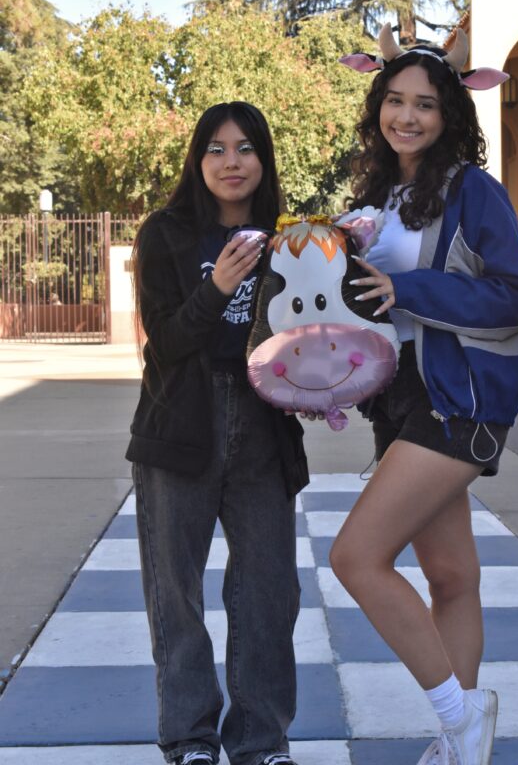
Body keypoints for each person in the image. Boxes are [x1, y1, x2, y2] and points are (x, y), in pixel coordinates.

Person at [331, 26, 518, 765]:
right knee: (452, 577)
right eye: (394, 101)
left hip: (460, 397)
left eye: (425, 104)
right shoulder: (379, 195)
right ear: (377, 107)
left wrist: (407, 287)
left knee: (357, 557)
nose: (407, 117)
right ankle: (464, 747)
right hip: (404, 399)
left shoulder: (472, 190)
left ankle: (459, 717)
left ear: (450, 114)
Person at [126, 101, 309, 765]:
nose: (232, 163)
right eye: (216, 149)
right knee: (175, 592)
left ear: (264, 159)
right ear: (198, 160)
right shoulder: (167, 234)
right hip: (181, 424)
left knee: (269, 592)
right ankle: (190, 741)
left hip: (264, 427)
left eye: (245, 149)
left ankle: (262, 742)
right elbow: (165, 345)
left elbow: (305, 334)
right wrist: (219, 286)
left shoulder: (290, 239)